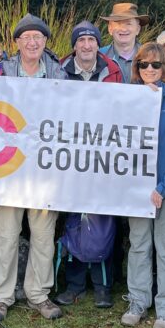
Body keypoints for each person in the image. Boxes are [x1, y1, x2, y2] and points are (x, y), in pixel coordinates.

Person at [0, 13, 68, 322]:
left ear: (46, 42)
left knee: (43, 234)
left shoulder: (60, 74)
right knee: (5, 233)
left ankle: (39, 294)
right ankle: (0, 297)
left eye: (38, 37)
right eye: (26, 37)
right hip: (9, 168)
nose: (32, 42)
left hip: (44, 170)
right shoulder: (0, 71)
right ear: (17, 42)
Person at [121, 42, 165, 328]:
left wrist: (164, 187)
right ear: (137, 69)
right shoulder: (128, 97)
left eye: (155, 64)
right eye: (143, 65)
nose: (149, 69)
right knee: (138, 245)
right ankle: (138, 301)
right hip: (137, 186)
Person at [56, 20, 123, 308]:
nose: (86, 45)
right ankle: (73, 284)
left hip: (103, 155)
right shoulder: (61, 71)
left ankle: (102, 285)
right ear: (74, 45)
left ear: (99, 44)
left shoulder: (113, 71)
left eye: (91, 40)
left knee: (102, 220)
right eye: (81, 41)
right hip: (70, 157)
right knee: (73, 220)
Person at [99, 2, 148, 83]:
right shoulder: (99, 57)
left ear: (138, 29)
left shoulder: (151, 57)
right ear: (110, 29)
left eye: (128, 23)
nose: (124, 29)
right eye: (118, 23)